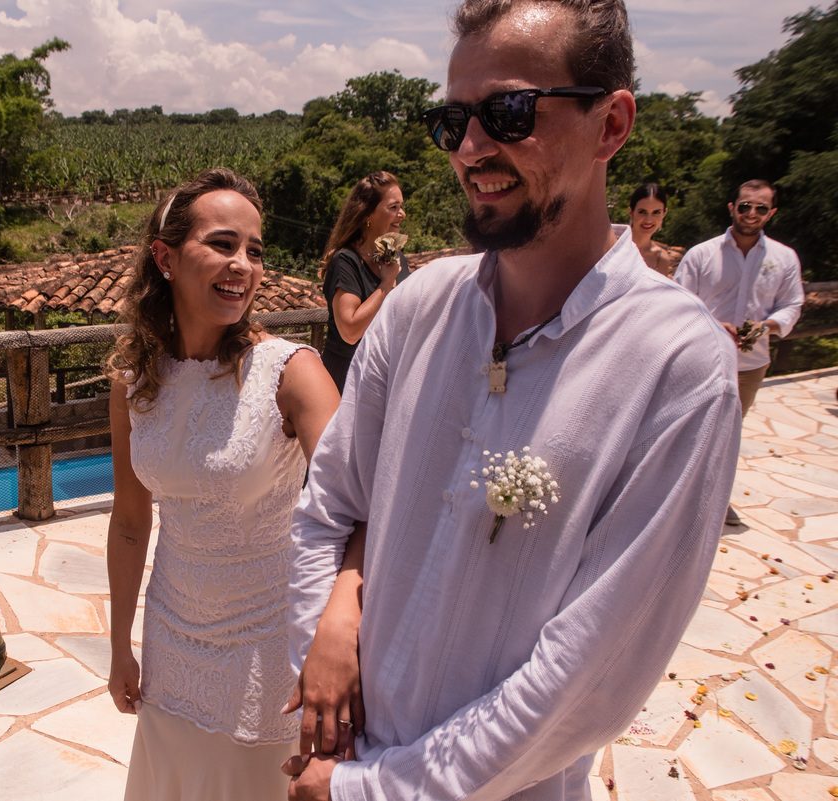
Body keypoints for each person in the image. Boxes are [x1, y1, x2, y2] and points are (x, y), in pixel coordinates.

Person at [285, 2, 742, 799]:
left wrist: (372, 788)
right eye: (452, 121)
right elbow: (326, 510)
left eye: (509, 112)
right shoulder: (419, 309)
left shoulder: (675, 367)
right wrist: (328, 691)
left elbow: (585, 681)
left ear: (611, 124)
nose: (470, 149)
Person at [104, 169, 344, 801]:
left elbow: (358, 510)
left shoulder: (292, 372)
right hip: (171, 639)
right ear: (165, 258)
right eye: (222, 244)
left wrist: (338, 644)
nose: (243, 264)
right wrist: (120, 644)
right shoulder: (133, 380)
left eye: (254, 250)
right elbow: (129, 522)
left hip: (267, 644)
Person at [674, 179, 804, 524]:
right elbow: (678, 302)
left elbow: (792, 304)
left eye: (761, 208)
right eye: (745, 206)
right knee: (689, 428)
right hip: (704, 359)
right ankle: (675, 497)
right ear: (732, 207)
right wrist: (714, 325)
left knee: (728, 433)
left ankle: (714, 499)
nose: (752, 213)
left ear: (771, 213)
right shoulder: (701, 254)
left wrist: (767, 326)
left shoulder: (783, 258)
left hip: (751, 363)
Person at [318, 172, 411, 393]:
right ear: (368, 213)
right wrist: (386, 284)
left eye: (401, 206)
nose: (402, 214)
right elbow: (349, 331)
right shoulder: (346, 261)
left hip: (386, 376)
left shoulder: (397, 259)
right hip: (347, 378)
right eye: (393, 207)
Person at [628, 182, 675, 276]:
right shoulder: (613, 246)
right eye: (642, 212)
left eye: (656, 212)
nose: (648, 220)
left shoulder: (661, 258)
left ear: (664, 213)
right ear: (631, 212)